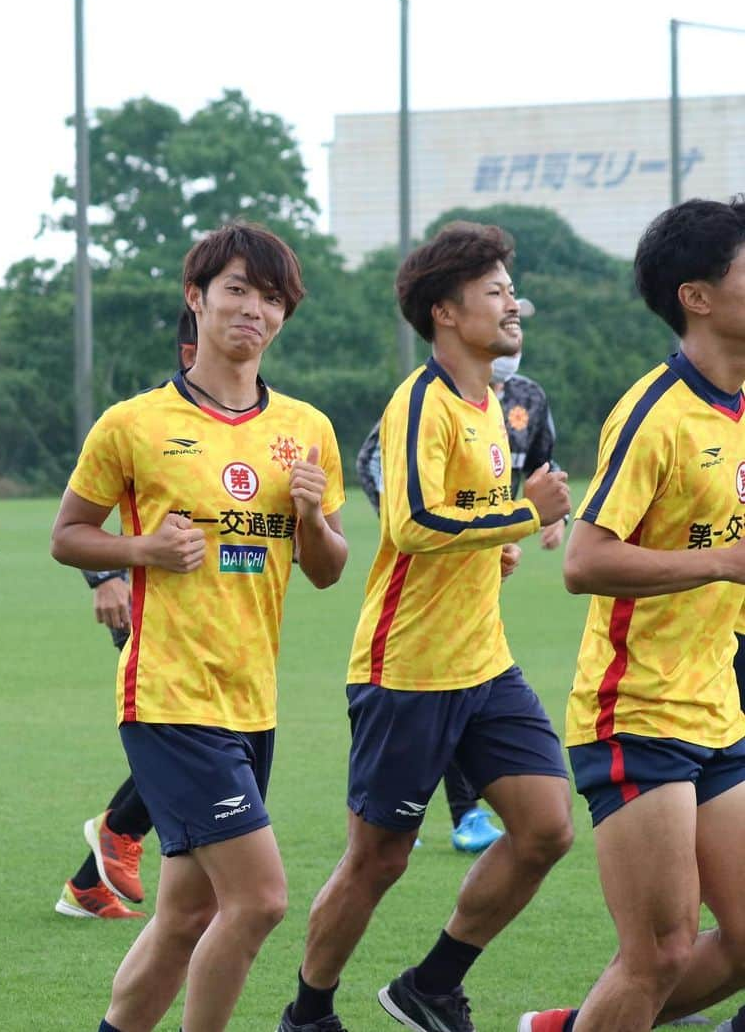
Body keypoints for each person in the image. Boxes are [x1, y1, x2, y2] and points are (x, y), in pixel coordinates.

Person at [51, 222, 348, 1032]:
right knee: (257, 900)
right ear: (198, 298)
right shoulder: (133, 423)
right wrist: (139, 548)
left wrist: (314, 516)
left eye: (273, 297)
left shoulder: (305, 429)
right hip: (168, 696)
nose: (256, 309)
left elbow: (326, 568)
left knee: (186, 913)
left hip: (252, 700)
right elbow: (67, 533)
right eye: (239, 290)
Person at [279, 221, 573, 1032]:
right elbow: (411, 524)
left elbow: (462, 521)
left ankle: (432, 983)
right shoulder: (422, 401)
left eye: (511, 288)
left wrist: (494, 547)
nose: (513, 303)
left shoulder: (490, 407)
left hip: (485, 664)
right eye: (495, 291)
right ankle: (308, 1012)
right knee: (379, 859)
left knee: (547, 828)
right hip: (405, 670)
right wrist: (521, 515)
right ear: (445, 311)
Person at [520, 197, 745, 1031]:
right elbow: (585, 559)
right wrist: (722, 561)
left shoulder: (740, 405)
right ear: (699, 295)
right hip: (637, 712)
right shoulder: (655, 412)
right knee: (659, 951)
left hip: (717, 707)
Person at [57, 313, 199, 921]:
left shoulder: (261, 421)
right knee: (186, 738)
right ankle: (118, 834)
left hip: (231, 626)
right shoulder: (146, 420)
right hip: (156, 610)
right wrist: (105, 577)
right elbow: (84, 514)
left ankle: (91, 883)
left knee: (192, 741)